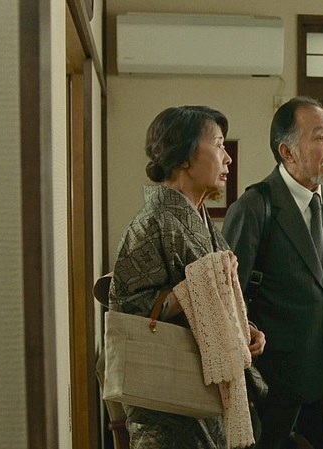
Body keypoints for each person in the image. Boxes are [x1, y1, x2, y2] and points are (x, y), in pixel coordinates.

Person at [109, 105, 266, 448]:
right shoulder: (152, 222)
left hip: (206, 397)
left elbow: (218, 303)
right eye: (219, 145)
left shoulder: (201, 218)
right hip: (168, 408)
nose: (227, 158)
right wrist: (197, 287)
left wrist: (246, 330)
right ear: (183, 157)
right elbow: (127, 308)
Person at [222, 96, 323, 449]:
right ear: (287, 152)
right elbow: (230, 298)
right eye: (319, 137)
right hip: (277, 379)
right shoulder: (254, 207)